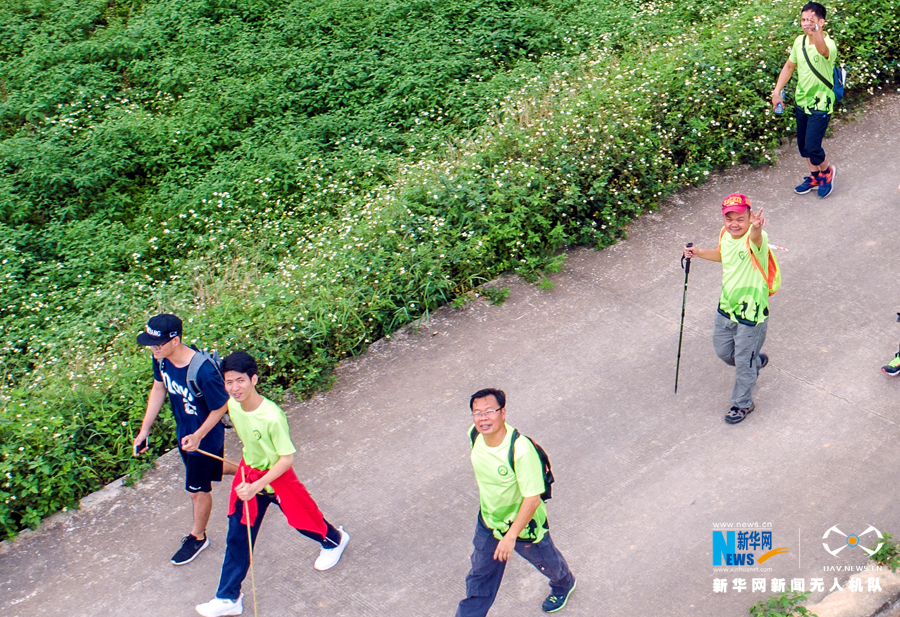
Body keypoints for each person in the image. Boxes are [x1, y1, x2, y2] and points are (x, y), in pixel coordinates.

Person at [195, 351, 349, 617]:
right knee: (237, 534)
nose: (234, 388)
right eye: (229, 382)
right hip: (248, 476)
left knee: (304, 520)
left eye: (240, 381)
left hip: (277, 477)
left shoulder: (272, 416)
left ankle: (335, 540)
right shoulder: (233, 404)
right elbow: (221, 407)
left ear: (254, 379)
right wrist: (198, 437)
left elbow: (286, 459)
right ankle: (229, 597)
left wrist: (258, 486)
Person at [456, 388, 576, 616]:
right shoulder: (475, 435)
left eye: (489, 411)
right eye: (477, 413)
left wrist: (511, 536)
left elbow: (532, 499)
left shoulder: (520, 451)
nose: (483, 418)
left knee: (546, 561)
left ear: (503, 413)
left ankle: (564, 583)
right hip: (489, 521)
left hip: (524, 526)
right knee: (479, 574)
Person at [134, 313, 231, 566]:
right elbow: (159, 387)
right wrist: (145, 430)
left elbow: (221, 406)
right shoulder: (162, 359)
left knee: (197, 491)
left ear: (175, 340)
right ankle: (252, 471)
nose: (152, 349)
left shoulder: (203, 371)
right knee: (211, 469)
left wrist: (199, 436)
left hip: (203, 438)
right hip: (185, 434)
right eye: (150, 344)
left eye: (157, 344)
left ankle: (198, 537)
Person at [683, 194, 773, 424]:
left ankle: (742, 403)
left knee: (743, 364)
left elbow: (755, 237)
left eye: (740, 219)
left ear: (749, 217)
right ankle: (754, 362)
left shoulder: (757, 239)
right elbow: (724, 255)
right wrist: (699, 252)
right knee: (724, 352)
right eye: (729, 218)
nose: (734, 223)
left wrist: (755, 228)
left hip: (751, 315)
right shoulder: (726, 234)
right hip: (726, 307)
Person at [771, 2, 838, 198]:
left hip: (821, 102)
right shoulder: (799, 42)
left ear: (821, 22)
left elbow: (823, 50)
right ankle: (815, 175)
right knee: (802, 145)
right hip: (802, 101)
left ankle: (827, 172)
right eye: (803, 20)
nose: (806, 23)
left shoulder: (828, 44)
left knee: (812, 146)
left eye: (811, 20)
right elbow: (789, 66)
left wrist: (815, 31)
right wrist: (777, 91)